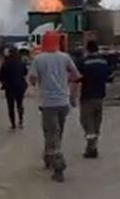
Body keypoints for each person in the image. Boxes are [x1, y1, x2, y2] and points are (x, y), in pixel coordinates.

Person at [29, 31, 81, 183]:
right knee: (58, 132)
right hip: (63, 102)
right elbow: (76, 75)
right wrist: (64, 81)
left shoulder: (38, 59)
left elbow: (32, 78)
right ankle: (49, 156)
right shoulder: (65, 57)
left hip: (48, 103)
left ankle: (58, 165)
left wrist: (40, 82)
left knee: (51, 132)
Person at [75, 40, 114, 159]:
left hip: (87, 96)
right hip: (100, 96)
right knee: (96, 122)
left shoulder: (84, 62)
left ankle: (91, 148)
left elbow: (77, 77)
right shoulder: (103, 61)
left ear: (87, 49)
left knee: (86, 121)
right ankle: (93, 146)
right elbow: (110, 77)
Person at [0, 47, 28, 129]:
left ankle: (13, 124)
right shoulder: (21, 63)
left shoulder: (5, 64)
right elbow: (25, 72)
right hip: (20, 86)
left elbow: (1, 77)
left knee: (10, 106)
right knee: (20, 104)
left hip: (9, 87)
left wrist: (4, 82)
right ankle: (21, 120)